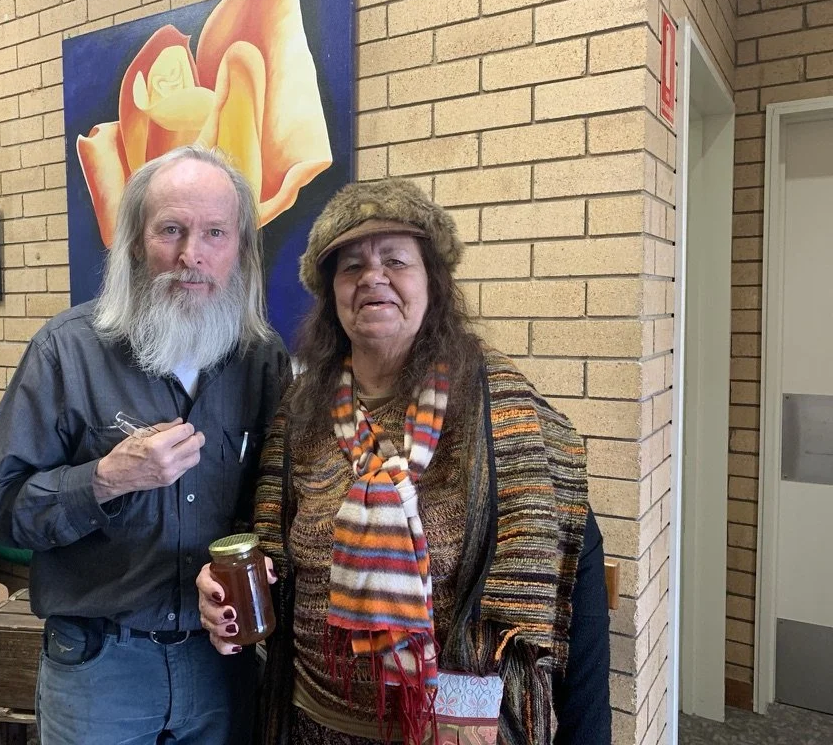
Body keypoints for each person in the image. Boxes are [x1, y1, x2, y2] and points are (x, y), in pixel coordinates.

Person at [197, 178, 611, 745]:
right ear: (331, 293)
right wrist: (224, 593)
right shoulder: (300, 411)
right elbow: (268, 554)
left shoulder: (498, 406)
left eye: (397, 260)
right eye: (351, 266)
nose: (374, 277)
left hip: (459, 732)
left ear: (433, 284)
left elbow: (572, 559)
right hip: (317, 726)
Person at [0, 144, 289, 745]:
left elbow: (273, 504)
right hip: (99, 669)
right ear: (136, 242)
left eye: (215, 232)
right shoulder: (66, 352)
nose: (192, 255)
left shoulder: (262, 361)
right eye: (172, 230)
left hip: (220, 664)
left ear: (239, 250)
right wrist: (104, 480)